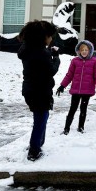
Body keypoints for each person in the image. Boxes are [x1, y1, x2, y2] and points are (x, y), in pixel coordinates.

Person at [17, 20, 61, 161]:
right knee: (41, 120)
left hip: (30, 89)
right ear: (43, 36)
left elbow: (38, 62)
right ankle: (34, 150)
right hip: (40, 91)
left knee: (41, 117)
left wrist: (48, 52)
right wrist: (56, 58)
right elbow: (51, 70)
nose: (51, 39)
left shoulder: (28, 48)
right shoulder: (42, 53)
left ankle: (37, 144)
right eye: (50, 36)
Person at [56, 40, 96, 134]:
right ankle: (66, 128)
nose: (84, 51)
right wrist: (62, 85)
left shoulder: (95, 61)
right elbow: (69, 75)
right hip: (76, 90)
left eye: (86, 49)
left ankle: (81, 127)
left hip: (87, 90)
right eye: (82, 50)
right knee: (72, 109)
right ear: (79, 51)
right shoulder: (75, 61)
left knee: (83, 109)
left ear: (90, 50)